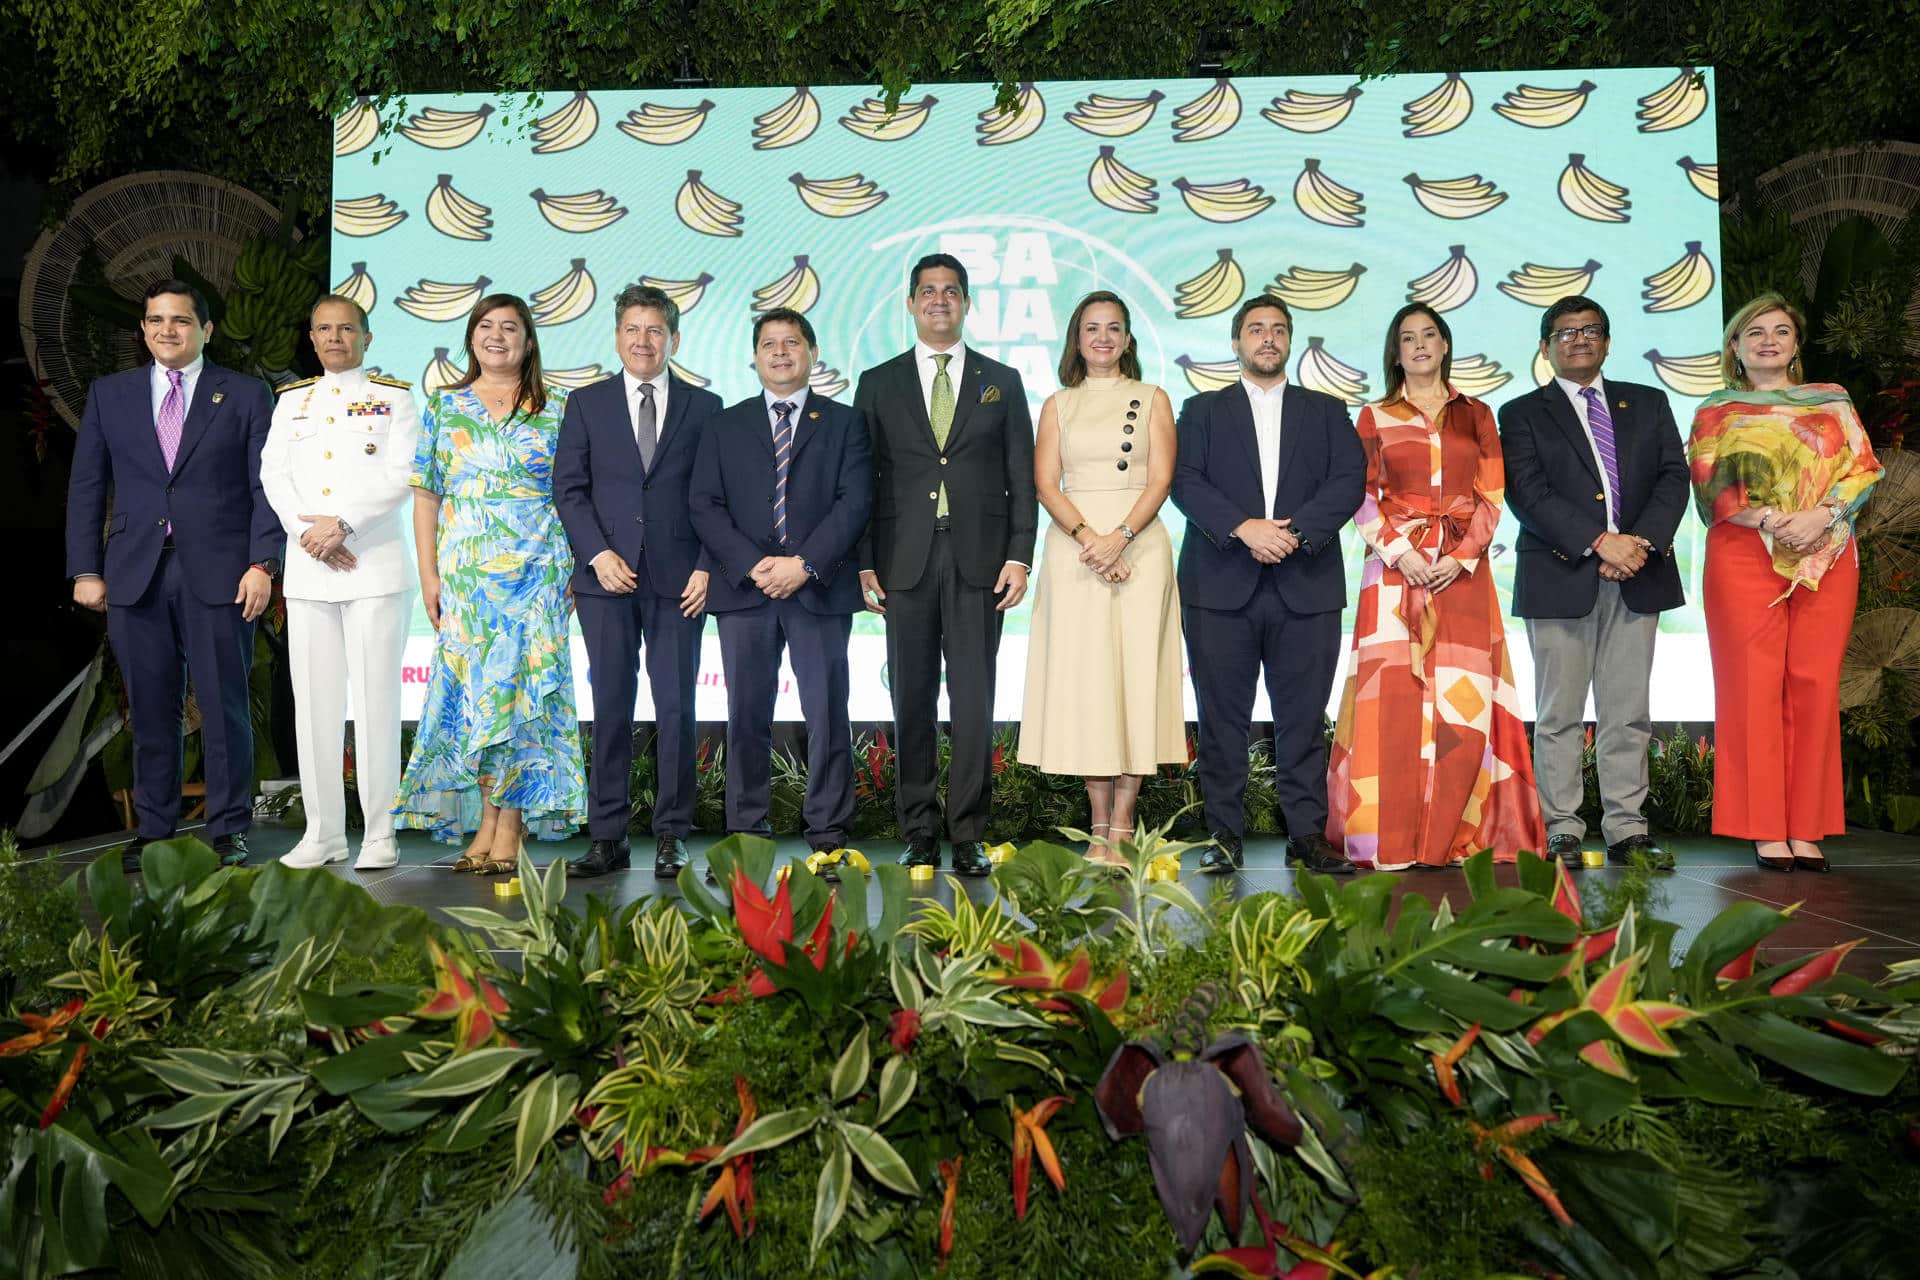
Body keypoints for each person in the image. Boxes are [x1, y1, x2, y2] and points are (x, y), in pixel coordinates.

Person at [66, 279, 279, 871]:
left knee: (224, 703)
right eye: (156, 320)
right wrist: (86, 568)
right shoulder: (111, 394)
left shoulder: (243, 393)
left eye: (180, 321)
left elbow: (268, 488)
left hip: (221, 571)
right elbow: (87, 485)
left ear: (205, 330)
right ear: (142, 329)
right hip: (134, 573)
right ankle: (154, 830)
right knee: (151, 708)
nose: (167, 330)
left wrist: (263, 563)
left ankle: (229, 828)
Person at [1327, 303, 1546, 869]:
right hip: (1393, 578)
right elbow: (1362, 494)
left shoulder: (1476, 413)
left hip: (1463, 578)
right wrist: (1402, 553)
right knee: (1390, 706)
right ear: (1395, 351)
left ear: (1445, 345)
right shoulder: (1373, 415)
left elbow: (1492, 493)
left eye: (1429, 335)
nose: (1420, 344)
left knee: (1463, 709)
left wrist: (1463, 556)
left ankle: (1452, 837)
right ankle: (1389, 840)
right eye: (1407, 337)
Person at [856, 253, 1037, 878]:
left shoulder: (1002, 380)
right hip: (902, 560)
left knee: (973, 701)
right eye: (927, 291)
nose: (939, 300)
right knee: (910, 698)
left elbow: (1021, 477)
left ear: (966, 304)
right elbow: (864, 481)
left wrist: (1019, 555)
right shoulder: (877, 383)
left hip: (980, 562)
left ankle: (967, 834)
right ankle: (920, 830)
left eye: (951, 291)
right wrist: (863, 562)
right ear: (910, 304)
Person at [391, 294, 586, 871]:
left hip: (538, 572)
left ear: (529, 342)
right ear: (470, 337)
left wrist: (574, 563)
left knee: (526, 699)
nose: (496, 336)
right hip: (468, 579)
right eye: (485, 326)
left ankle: (512, 827)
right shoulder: (444, 406)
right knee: (476, 698)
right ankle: (483, 823)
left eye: (510, 328)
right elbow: (426, 497)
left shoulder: (560, 408)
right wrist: (428, 575)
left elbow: (576, 494)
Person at [1688, 292, 1882, 872]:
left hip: (1826, 550)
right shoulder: (1715, 409)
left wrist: (1821, 517)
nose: (1768, 340)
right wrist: (1775, 521)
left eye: (1780, 331)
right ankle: (1764, 827)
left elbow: (1863, 467)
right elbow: (1710, 488)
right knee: (1753, 687)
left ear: (1796, 346)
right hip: (1745, 552)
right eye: (1755, 333)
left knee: (1814, 684)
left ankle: (1807, 826)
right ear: (1735, 348)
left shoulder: (1832, 401)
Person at [1171, 296, 1363, 876]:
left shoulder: (1328, 412)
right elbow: (1184, 480)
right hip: (1219, 585)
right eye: (1256, 329)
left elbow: (1349, 480)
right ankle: (1224, 835)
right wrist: (1244, 528)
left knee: (1302, 720)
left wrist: (1296, 532)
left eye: (1279, 329)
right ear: (1236, 343)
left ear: (1290, 341)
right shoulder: (1201, 410)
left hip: (1305, 583)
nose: (1268, 338)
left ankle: (1306, 834)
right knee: (1219, 718)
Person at [1499, 295, 1690, 871]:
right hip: (1562, 575)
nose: (1579, 339)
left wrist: (1639, 544)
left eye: (1591, 330)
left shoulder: (1649, 402)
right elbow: (1526, 492)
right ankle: (1562, 828)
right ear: (1545, 346)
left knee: (1627, 710)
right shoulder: (1522, 412)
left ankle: (1627, 829)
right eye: (1566, 332)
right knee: (1558, 713)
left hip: (1640, 574)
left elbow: (1672, 478)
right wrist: (1599, 541)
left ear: (1606, 342)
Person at [690, 309, 872, 863]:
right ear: (754, 357)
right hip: (746, 593)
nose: (780, 353)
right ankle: (748, 830)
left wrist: (804, 564)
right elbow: (704, 503)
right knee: (746, 714)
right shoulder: (725, 423)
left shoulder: (845, 422)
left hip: (818, 589)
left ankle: (828, 831)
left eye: (792, 342)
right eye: (769, 344)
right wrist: (755, 565)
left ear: (812, 353)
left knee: (827, 713)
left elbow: (855, 502)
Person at [554, 285, 722, 880]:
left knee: (678, 707)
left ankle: (673, 833)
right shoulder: (586, 403)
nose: (643, 341)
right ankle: (608, 837)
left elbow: (717, 498)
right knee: (611, 707)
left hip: (683, 582)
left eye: (655, 330)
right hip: (607, 581)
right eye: (633, 329)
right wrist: (597, 554)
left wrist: (707, 563)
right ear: (617, 336)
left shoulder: (706, 408)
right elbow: (568, 490)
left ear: (674, 338)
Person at [1018, 291, 1185, 862]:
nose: (1103, 338)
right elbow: (1046, 484)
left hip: (1140, 547)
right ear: (1076, 338)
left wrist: (1122, 539)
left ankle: (1124, 824)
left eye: (1114, 328)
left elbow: (1160, 480)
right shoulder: (1057, 405)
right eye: (1092, 328)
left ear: (1129, 339)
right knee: (1092, 687)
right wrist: (1092, 540)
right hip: (1076, 552)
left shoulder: (1153, 398)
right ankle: (1097, 828)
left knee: (1135, 680)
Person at [260, 295, 418, 871]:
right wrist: (311, 536)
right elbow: (273, 473)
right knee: (315, 707)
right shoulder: (293, 401)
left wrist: (343, 525)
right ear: (311, 335)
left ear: (367, 338)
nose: (334, 338)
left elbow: (403, 473)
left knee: (377, 703)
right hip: (309, 569)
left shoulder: (395, 399)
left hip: (371, 566)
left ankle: (380, 833)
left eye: (345, 329)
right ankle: (323, 832)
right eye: (324, 328)